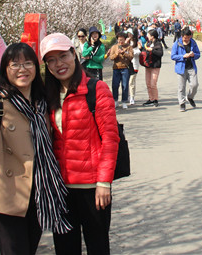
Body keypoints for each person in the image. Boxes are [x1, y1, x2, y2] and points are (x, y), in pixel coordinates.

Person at [0, 43, 70, 255]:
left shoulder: (43, 101)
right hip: (7, 196)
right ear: (5, 70)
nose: (22, 69)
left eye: (28, 63)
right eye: (15, 64)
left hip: (39, 192)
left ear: (36, 67)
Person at [40, 33, 120, 255]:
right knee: (65, 249)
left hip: (92, 188)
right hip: (61, 189)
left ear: (74, 54)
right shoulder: (48, 95)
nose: (59, 64)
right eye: (51, 60)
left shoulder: (96, 89)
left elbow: (110, 138)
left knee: (98, 247)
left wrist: (104, 182)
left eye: (63, 56)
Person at [171, 27, 201, 112]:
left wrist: (193, 55)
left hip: (191, 67)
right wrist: (182, 56)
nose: (187, 39)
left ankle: (190, 97)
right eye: (185, 38)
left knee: (195, 85)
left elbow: (198, 54)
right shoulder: (177, 43)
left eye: (188, 37)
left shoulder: (193, 43)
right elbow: (173, 56)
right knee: (181, 87)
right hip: (181, 68)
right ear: (182, 36)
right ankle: (182, 103)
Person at [107, 32, 133, 109]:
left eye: (122, 40)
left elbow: (131, 56)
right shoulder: (114, 47)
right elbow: (111, 57)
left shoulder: (128, 47)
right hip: (116, 68)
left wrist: (124, 53)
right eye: (119, 40)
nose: (120, 41)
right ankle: (115, 100)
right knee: (115, 85)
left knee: (125, 85)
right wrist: (117, 54)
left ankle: (124, 101)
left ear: (125, 39)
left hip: (125, 68)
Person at [142, 28, 164, 107]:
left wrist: (152, 50)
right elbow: (145, 51)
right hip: (148, 66)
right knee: (148, 83)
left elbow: (160, 53)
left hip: (155, 66)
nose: (147, 36)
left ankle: (155, 99)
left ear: (152, 36)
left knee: (153, 83)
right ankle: (151, 98)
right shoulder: (148, 43)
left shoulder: (158, 44)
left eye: (149, 35)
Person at [127, 31, 140, 106]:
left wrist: (131, 53)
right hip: (126, 65)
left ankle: (132, 97)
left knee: (131, 82)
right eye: (128, 34)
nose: (129, 35)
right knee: (125, 82)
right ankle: (127, 95)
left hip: (134, 64)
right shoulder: (125, 42)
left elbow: (139, 52)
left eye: (130, 34)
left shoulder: (137, 42)